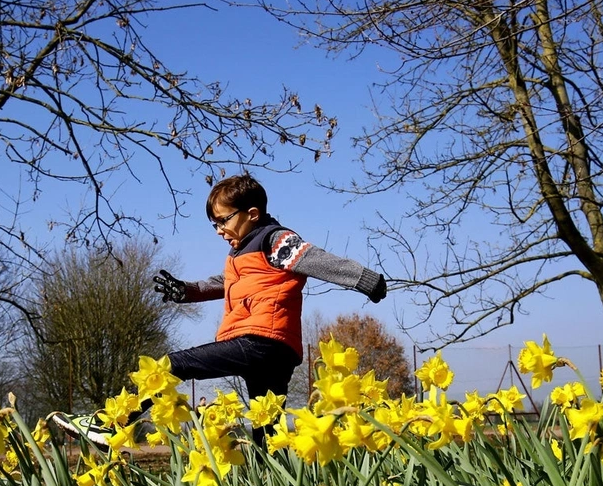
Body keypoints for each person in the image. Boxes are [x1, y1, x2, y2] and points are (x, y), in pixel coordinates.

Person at [49, 173, 387, 445]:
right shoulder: (243, 253)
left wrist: (363, 279)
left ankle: (110, 424)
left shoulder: (274, 239)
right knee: (267, 434)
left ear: (252, 214)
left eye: (223, 221)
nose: (219, 230)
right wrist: (187, 291)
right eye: (214, 224)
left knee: (170, 365)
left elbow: (313, 258)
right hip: (273, 349)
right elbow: (225, 283)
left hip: (260, 340)